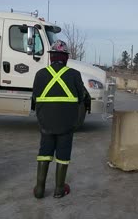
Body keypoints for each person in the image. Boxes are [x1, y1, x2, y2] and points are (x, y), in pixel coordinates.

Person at [32, 40, 85, 199]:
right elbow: (81, 97)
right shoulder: (74, 74)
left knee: (44, 152)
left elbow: (35, 97)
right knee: (63, 153)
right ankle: (59, 189)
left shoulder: (40, 74)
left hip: (46, 122)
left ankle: (40, 189)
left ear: (51, 57)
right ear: (65, 58)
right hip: (66, 123)